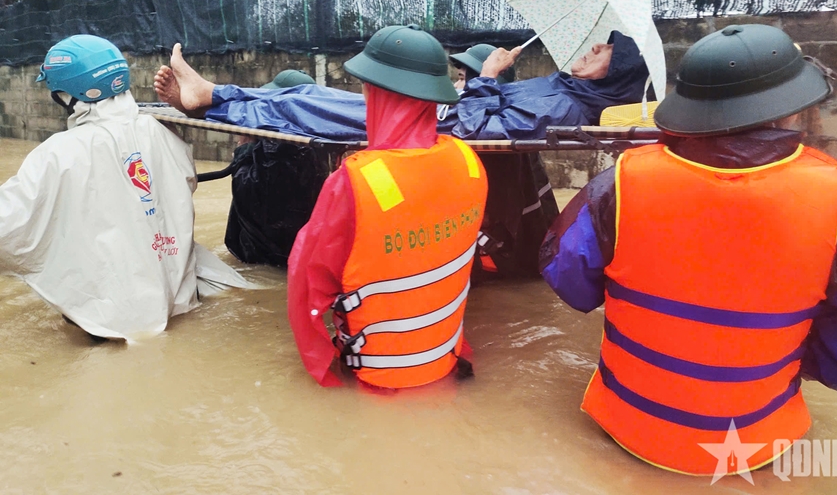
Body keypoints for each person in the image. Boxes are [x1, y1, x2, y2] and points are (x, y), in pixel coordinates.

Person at [539, 24, 837, 476]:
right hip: (756, 444)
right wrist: (795, 358)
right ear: (792, 114)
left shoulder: (619, 185)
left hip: (628, 428)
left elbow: (568, 277)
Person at [274, 24, 488, 388]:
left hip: (377, 382)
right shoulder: (468, 161)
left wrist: (321, 368)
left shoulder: (354, 182)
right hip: (446, 362)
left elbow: (306, 282)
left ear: (373, 92)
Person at [0, 35, 246, 341]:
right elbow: (184, 187)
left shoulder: (56, 153)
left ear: (70, 93)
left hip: (111, 321)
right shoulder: (162, 133)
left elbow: (9, 226)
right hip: (179, 301)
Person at [152, 30, 649, 141]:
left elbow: (481, 132)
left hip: (435, 129)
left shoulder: (569, 108)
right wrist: (486, 81)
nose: (590, 50)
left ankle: (209, 97)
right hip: (438, 115)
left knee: (303, 103)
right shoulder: (565, 87)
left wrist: (487, 78)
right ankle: (213, 94)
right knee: (304, 94)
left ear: (620, 69)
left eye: (603, 51)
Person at [448, 44, 558, 279]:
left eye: (462, 79)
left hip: (502, 251)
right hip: (528, 246)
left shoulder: (488, 131)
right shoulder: (506, 125)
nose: (457, 87)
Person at [223, 69, 331, 267]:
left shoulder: (277, 150)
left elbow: (250, 200)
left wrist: (243, 149)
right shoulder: (317, 142)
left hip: (264, 259)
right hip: (300, 253)